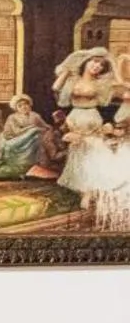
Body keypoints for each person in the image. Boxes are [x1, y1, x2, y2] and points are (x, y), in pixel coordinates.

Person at [52, 48, 130, 207]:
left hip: (91, 118)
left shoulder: (101, 83)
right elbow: (56, 89)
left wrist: (117, 62)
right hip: (74, 117)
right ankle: (84, 189)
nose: (97, 67)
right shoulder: (73, 79)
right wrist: (66, 72)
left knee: (94, 151)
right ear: (85, 62)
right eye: (94, 62)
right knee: (78, 153)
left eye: (101, 65)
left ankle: (90, 191)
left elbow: (121, 84)